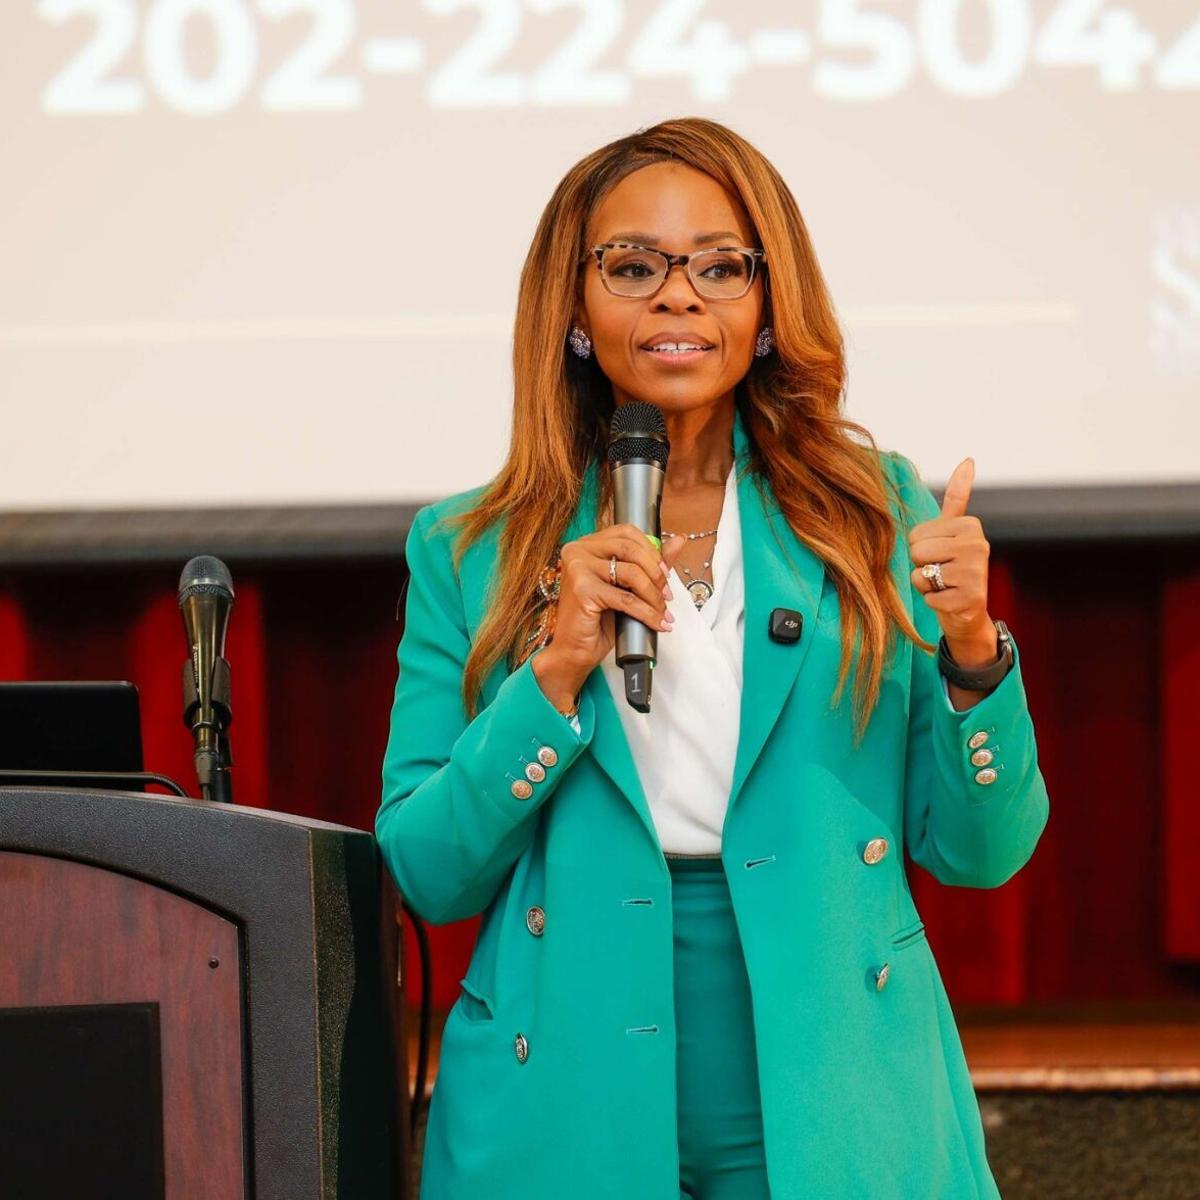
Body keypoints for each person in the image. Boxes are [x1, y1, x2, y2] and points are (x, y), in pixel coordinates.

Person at [377, 116, 1049, 1200]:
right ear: (574, 311)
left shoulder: (873, 515)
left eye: (720, 267)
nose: (678, 298)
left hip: (831, 1067)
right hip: (566, 1071)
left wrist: (974, 650)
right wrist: (551, 677)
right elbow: (426, 871)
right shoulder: (468, 548)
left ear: (768, 306)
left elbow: (982, 853)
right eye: (633, 266)